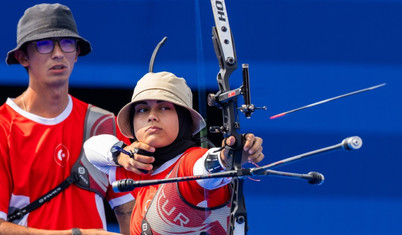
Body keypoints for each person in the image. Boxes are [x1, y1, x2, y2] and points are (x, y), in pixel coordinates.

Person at [0, 3, 134, 235]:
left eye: (67, 43)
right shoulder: (3, 127)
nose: (58, 53)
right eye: (44, 45)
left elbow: (128, 210)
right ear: (23, 57)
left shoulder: (103, 124)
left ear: (77, 53)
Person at [84, 71, 264, 234]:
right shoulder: (140, 166)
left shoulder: (190, 161)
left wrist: (228, 155)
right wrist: (120, 155)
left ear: (183, 119)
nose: (151, 116)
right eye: (142, 109)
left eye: (164, 108)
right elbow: (90, 148)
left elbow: (206, 166)